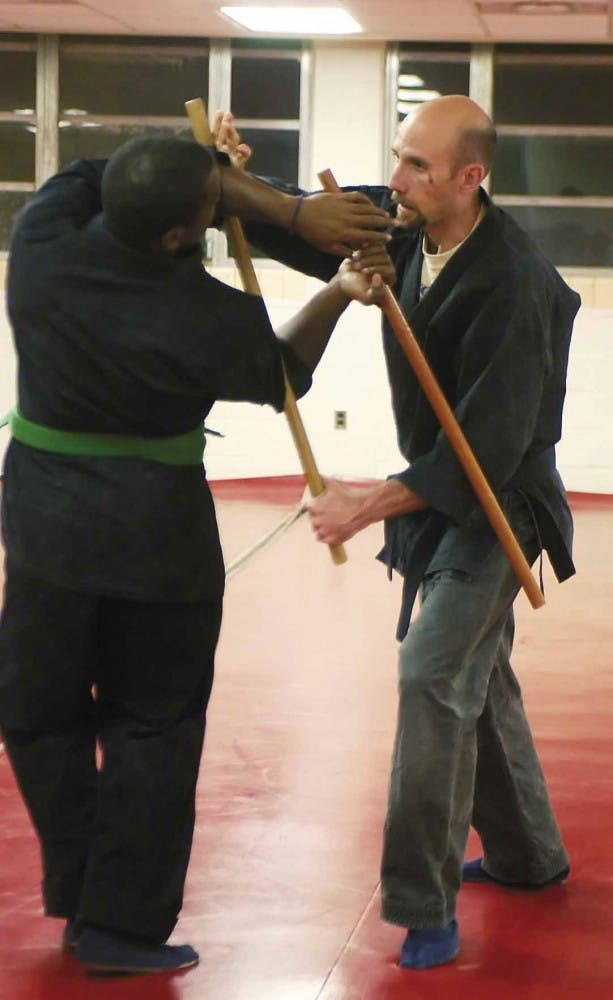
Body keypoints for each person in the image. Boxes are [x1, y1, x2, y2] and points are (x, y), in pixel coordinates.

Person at [0, 135, 393, 975]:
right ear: (182, 238)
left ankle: (76, 887)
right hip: (154, 537)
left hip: (44, 525)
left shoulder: (38, 246)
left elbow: (93, 170)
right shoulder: (206, 317)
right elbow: (281, 370)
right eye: (211, 213)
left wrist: (230, 182)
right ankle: (118, 924)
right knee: (154, 724)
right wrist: (339, 288)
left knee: (42, 714)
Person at [225, 95, 580, 970]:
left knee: (430, 671)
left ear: (472, 176)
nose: (395, 181)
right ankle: (528, 856)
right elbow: (304, 229)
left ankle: (423, 905)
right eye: (396, 158)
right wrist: (232, 181)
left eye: (417, 167)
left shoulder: (517, 286)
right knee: (473, 674)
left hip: (500, 506)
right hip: (442, 494)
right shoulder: (400, 226)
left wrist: (365, 502)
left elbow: (487, 453)